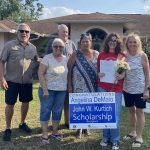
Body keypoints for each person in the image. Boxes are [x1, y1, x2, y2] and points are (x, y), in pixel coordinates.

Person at [0, 23, 40, 141]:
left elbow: (37, 59)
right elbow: (1, 62)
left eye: (26, 31)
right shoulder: (9, 45)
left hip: (27, 81)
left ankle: (22, 123)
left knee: (26, 103)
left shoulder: (33, 48)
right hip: (12, 81)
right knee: (10, 104)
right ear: (17, 32)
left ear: (29, 33)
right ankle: (8, 128)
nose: (24, 33)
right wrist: (1, 78)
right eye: (21, 31)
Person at [68, 33, 99, 139]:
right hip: (79, 86)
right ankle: (79, 128)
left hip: (93, 85)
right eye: (83, 41)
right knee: (79, 107)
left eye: (88, 41)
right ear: (80, 43)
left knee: (90, 107)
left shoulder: (96, 54)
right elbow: (69, 70)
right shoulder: (75, 54)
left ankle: (87, 127)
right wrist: (70, 86)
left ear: (91, 42)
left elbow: (101, 69)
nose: (86, 43)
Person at [97, 33, 125, 150]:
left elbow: (124, 72)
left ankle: (115, 140)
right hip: (102, 86)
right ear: (107, 42)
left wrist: (121, 75)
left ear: (118, 43)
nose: (112, 42)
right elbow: (98, 71)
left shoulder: (122, 56)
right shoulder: (101, 55)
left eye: (115, 41)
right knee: (105, 114)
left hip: (116, 88)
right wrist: (99, 74)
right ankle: (105, 137)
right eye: (110, 40)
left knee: (114, 115)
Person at [38, 38, 68, 143]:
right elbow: (40, 73)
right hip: (48, 90)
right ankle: (45, 134)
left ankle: (55, 132)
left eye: (61, 47)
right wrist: (45, 90)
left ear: (63, 48)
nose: (58, 48)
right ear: (52, 47)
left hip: (61, 91)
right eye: (56, 46)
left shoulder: (66, 59)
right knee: (46, 110)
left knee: (57, 111)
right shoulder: (47, 58)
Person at [123, 33, 150, 148]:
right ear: (127, 44)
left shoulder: (142, 55)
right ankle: (133, 132)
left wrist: (147, 89)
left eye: (135, 42)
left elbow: (147, 74)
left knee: (139, 112)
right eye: (130, 42)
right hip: (127, 88)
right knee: (131, 110)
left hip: (140, 89)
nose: (133, 44)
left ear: (138, 43)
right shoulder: (124, 55)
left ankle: (139, 136)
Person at [47, 24, 76, 127]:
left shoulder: (71, 44)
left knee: (68, 100)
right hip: (56, 77)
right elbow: (47, 58)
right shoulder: (52, 43)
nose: (65, 34)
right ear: (58, 32)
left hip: (69, 76)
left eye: (67, 32)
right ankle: (56, 123)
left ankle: (68, 122)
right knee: (57, 103)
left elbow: (76, 57)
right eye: (63, 31)